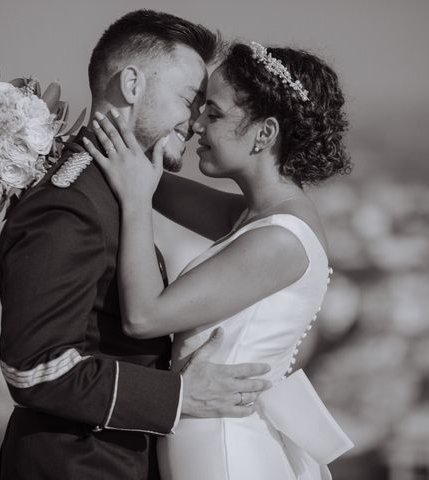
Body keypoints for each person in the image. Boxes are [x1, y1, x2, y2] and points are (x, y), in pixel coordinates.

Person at [0, 11, 272, 480]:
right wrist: (180, 395)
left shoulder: (117, 191)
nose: (195, 121)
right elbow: (34, 368)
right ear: (131, 84)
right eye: (190, 99)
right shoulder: (69, 205)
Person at [82, 41, 351, 480]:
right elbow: (147, 179)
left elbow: (145, 317)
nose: (195, 124)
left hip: (224, 451)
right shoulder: (256, 214)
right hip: (206, 436)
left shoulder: (281, 239)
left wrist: (134, 204)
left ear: (264, 134)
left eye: (214, 113)